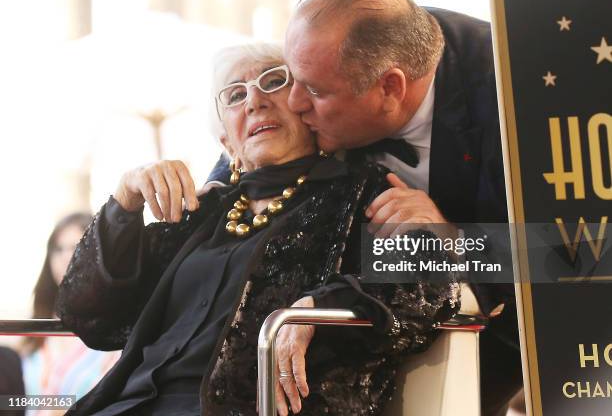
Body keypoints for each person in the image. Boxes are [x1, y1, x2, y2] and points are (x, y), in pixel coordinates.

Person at [56, 42, 459, 416]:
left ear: (306, 106)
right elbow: (91, 316)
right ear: (226, 143)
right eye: (235, 95)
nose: (255, 101)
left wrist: (320, 306)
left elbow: (429, 282)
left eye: (273, 80)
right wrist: (125, 201)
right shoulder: (199, 210)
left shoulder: (360, 191)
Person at [207, 0, 521, 416]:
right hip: (353, 332)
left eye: (313, 91)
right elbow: (253, 158)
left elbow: (578, 253)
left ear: (390, 87)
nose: (294, 103)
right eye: (290, 78)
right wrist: (208, 191)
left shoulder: (511, 89)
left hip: (507, 329)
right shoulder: (345, 45)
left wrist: (456, 237)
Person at [20, 214, 121, 416]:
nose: (66, 257)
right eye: (58, 249)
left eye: (76, 246)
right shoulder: (35, 326)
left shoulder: (118, 328)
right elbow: (14, 402)